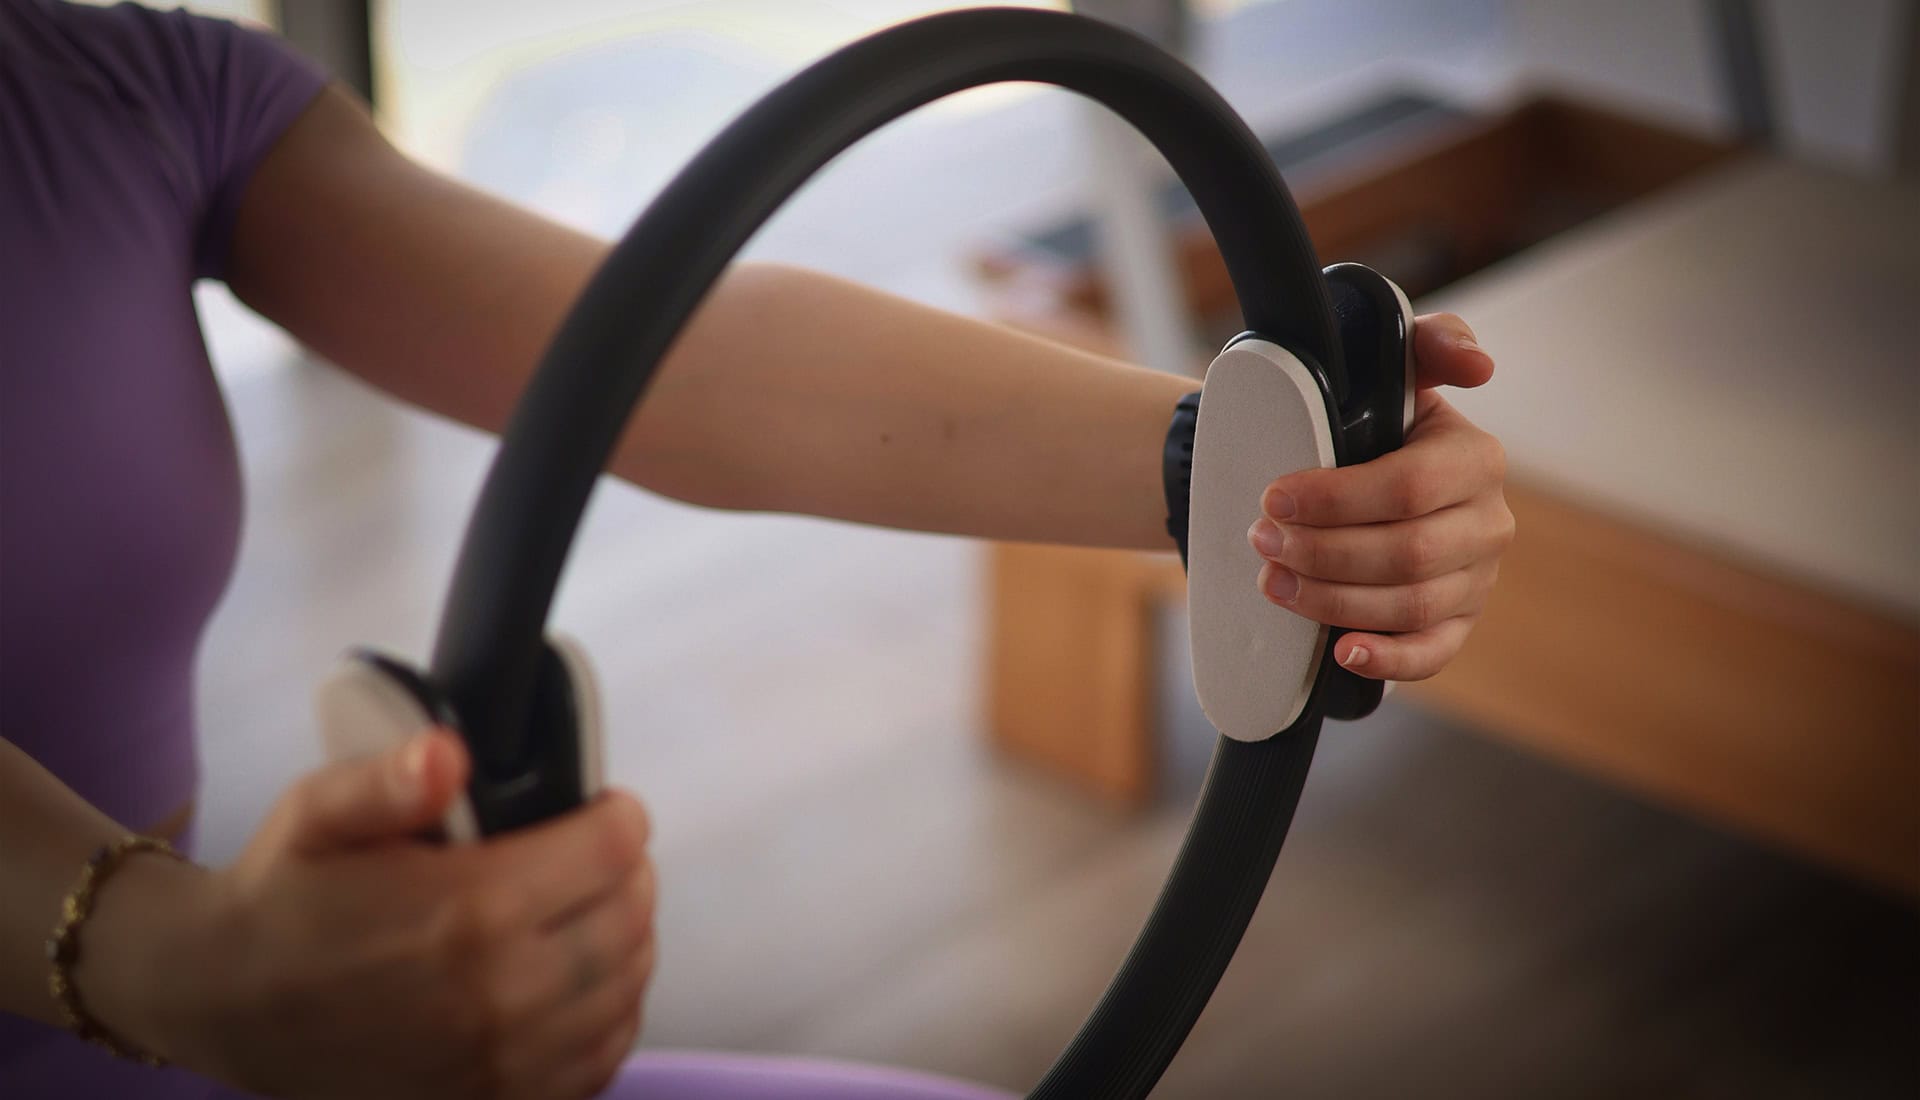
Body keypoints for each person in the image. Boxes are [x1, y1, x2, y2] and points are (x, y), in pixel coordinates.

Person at [0, 2, 1515, 1097]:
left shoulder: (113, 86)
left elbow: (655, 353)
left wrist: (1231, 472)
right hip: (224, 1011)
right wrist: (180, 964)